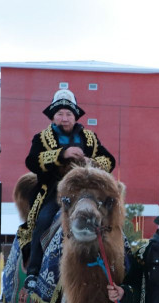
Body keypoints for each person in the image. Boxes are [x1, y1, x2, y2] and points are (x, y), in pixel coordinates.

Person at [18, 89, 115, 291]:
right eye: (60, 114)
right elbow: (32, 161)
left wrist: (92, 162)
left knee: (111, 221)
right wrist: (62, 154)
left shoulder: (89, 138)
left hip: (87, 191)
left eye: (69, 114)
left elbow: (110, 160)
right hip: (54, 191)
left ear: (75, 116)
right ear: (53, 117)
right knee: (43, 220)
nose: (65, 118)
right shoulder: (42, 138)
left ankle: (115, 267)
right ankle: (34, 271)